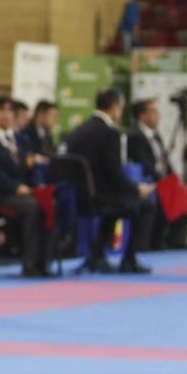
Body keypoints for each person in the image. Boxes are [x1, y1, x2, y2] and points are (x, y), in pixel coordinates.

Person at [64, 88, 156, 274]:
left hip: (78, 196)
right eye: (120, 108)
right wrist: (136, 188)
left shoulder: (77, 131)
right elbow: (114, 173)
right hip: (101, 196)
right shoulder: (110, 134)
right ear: (114, 107)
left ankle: (97, 256)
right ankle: (129, 258)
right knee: (145, 205)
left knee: (116, 206)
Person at [0, 96, 53, 277]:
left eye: (10, 111)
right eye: (1, 110)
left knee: (50, 203)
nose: (6, 115)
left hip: (22, 191)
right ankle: (29, 262)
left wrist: (37, 186)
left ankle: (44, 261)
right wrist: (15, 187)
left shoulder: (22, 140)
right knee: (32, 206)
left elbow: (30, 167)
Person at [127, 98, 187, 250]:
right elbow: (142, 162)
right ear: (142, 115)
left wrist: (173, 177)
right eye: (153, 111)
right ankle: (157, 241)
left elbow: (163, 161)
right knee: (164, 194)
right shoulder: (134, 136)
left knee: (185, 194)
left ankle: (176, 241)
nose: (158, 115)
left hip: (162, 179)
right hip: (149, 180)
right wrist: (162, 180)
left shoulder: (156, 136)